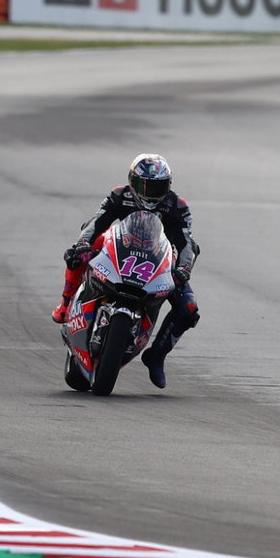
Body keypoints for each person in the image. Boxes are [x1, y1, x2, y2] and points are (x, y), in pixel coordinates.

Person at [52, 154, 200, 389]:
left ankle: (156, 356)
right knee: (77, 253)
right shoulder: (120, 195)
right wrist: (83, 244)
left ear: (168, 185)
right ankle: (65, 303)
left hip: (158, 260)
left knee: (188, 308)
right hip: (119, 248)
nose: (149, 192)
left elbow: (186, 243)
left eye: (157, 186)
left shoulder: (178, 206)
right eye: (143, 185)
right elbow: (96, 222)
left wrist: (183, 269)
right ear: (132, 182)